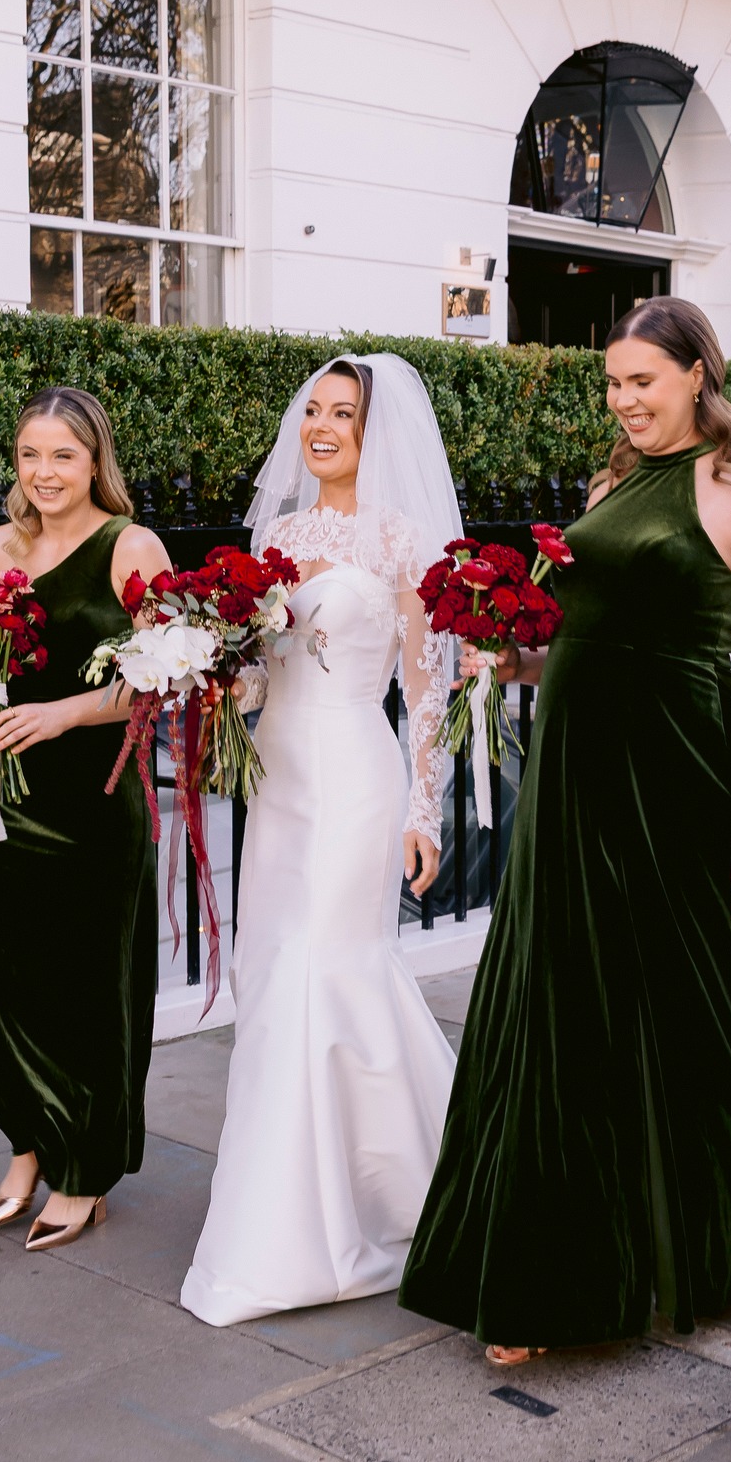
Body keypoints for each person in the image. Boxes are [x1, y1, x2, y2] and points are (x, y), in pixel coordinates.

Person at [400, 297, 731, 1360]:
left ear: (698, 375)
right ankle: (545, 1272)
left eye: (643, 382)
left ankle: (700, 1252)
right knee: (558, 999)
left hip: (677, 773)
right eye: (614, 384)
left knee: (680, 1004)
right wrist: (515, 658)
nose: (625, 402)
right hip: (573, 772)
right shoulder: (609, 482)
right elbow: (585, 630)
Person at [181, 355, 460, 1326]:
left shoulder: (401, 536)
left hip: (354, 776)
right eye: (314, 411)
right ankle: (293, 1207)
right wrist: (207, 669)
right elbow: (264, 673)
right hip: (283, 776)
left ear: (374, 430)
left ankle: (384, 1206)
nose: (324, 426)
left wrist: (426, 808)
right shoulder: (282, 532)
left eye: (344, 413)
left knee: (328, 970)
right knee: (277, 979)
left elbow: (429, 681)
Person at [0, 386, 171, 1251]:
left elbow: (164, 675)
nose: (44, 473)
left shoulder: (130, 546)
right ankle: (30, 1138)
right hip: (7, 795)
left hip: (94, 795)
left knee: (85, 987)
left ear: (94, 462)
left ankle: (85, 1170)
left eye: (63, 457)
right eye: (31, 456)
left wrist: (66, 714)